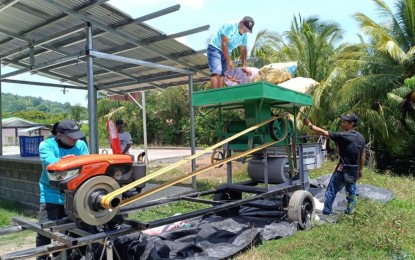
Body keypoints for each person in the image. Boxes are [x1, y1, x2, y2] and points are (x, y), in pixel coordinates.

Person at [36, 119, 89, 260]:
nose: (76, 139)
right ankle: (42, 257)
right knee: (44, 230)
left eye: (77, 135)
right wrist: (67, 162)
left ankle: (71, 256)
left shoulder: (81, 144)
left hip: (74, 193)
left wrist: (70, 162)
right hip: (51, 192)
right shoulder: (46, 145)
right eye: (72, 136)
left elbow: (87, 165)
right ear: (59, 135)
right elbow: (53, 166)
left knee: (75, 228)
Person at [303, 112, 366, 217]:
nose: (342, 123)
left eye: (344, 122)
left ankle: (327, 213)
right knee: (351, 192)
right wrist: (360, 170)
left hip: (342, 170)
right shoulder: (361, 137)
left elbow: (323, 133)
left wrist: (309, 124)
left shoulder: (344, 135)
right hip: (354, 170)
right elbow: (363, 155)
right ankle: (350, 212)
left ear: (351, 124)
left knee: (331, 191)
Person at [207, 16, 255, 88]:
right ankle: (214, 97)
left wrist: (244, 65)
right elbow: (223, 43)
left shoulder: (245, 35)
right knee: (217, 71)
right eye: (245, 28)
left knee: (223, 74)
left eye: (247, 30)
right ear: (241, 22)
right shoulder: (231, 26)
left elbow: (243, 49)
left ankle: (221, 96)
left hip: (226, 51)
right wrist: (228, 60)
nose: (245, 31)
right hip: (215, 48)